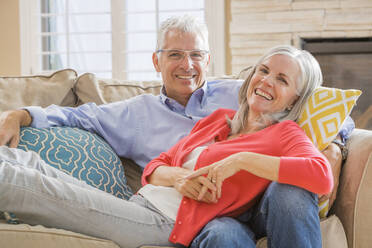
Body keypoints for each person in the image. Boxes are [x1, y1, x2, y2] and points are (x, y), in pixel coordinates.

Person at [0, 15, 350, 247]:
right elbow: (154, 168)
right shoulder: (220, 119)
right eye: (262, 70)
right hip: (146, 202)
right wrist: (19, 114)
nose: (265, 82)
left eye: (282, 79)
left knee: (30, 188)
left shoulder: (284, 131)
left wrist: (331, 146)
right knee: (25, 163)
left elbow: (320, 171)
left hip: (169, 221)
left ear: (294, 99)